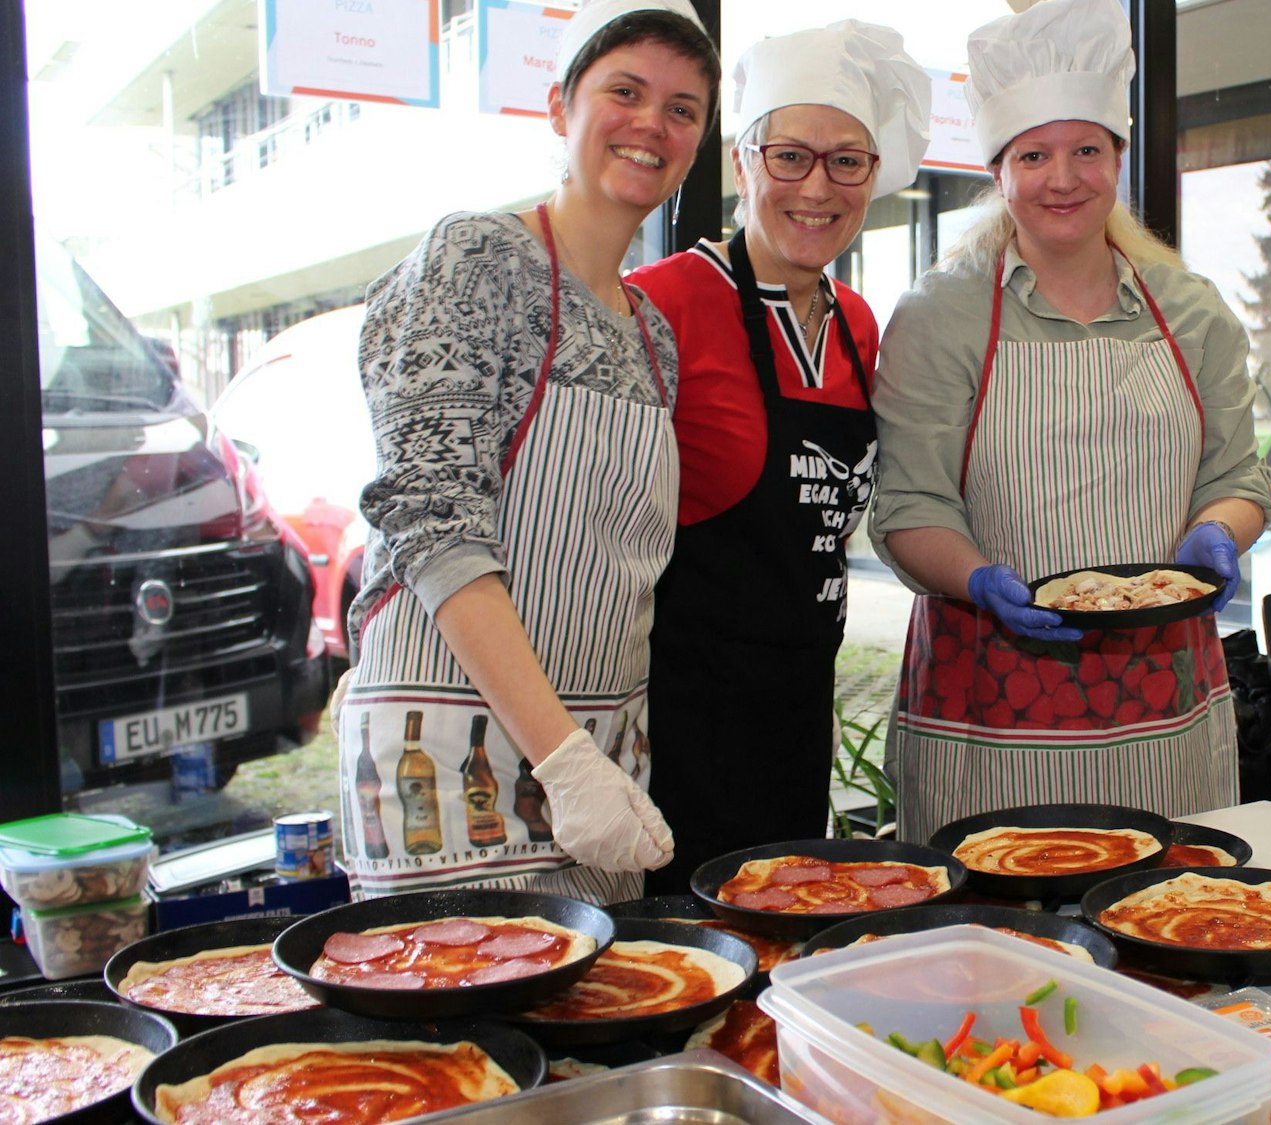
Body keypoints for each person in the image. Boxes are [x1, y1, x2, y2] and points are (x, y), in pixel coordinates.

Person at [335, 0, 718, 902]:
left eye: (681, 108)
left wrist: (596, 764)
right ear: (559, 107)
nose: (651, 124)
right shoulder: (473, 259)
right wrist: (561, 754)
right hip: (448, 766)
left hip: (601, 774)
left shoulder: (651, 335)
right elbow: (431, 520)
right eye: (624, 91)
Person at [869, 0, 1271, 848]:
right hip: (989, 713)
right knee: (992, 948)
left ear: (1117, 159)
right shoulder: (942, 313)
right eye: (1034, 154)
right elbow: (910, 505)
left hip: (1165, 711)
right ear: (999, 169)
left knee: (1174, 914)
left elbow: (1237, 476)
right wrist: (979, 578)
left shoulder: (1189, 310)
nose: (1063, 178)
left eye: (1086, 149)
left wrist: (1215, 537)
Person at [625, 22, 930, 894]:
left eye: (847, 162)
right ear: (742, 160)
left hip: (800, 708)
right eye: (789, 155)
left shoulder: (860, 323)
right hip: (675, 722)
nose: (817, 187)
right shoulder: (664, 303)